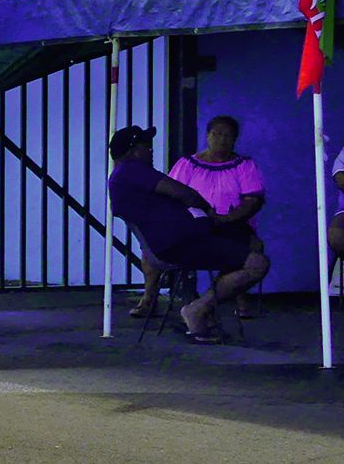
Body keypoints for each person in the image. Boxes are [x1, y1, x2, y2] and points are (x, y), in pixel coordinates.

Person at [109, 125, 268, 342]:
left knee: (249, 243)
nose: (151, 151)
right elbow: (183, 192)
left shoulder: (122, 177)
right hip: (182, 242)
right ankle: (198, 309)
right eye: (147, 147)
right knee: (257, 263)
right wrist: (208, 211)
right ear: (133, 151)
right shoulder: (132, 170)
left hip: (182, 239)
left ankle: (204, 308)